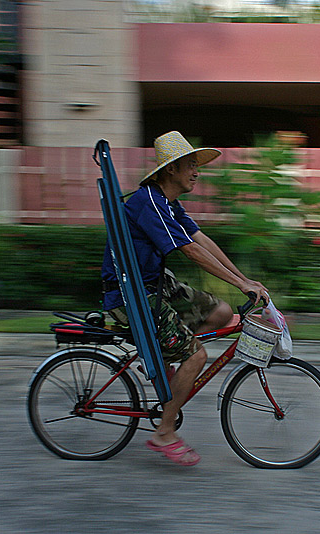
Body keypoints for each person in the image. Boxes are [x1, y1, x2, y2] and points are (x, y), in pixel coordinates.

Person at [101, 131, 269, 466]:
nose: (197, 171)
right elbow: (189, 251)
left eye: (196, 165)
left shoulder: (168, 203)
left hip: (153, 283)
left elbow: (199, 238)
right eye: (190, 165)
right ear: (171, 170)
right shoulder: (148, 202)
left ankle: (167, 359)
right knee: (196, 357)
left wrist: (244, 279)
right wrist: (239, 284)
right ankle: (164, 430)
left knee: (221, 313)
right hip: (132, 295)